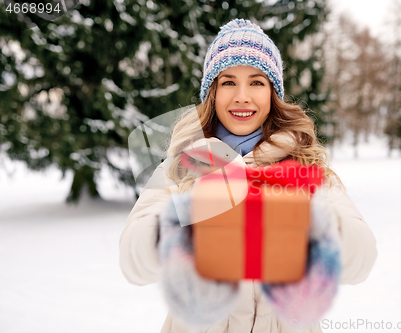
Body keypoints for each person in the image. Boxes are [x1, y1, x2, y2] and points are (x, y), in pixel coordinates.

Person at [119, 18, 377, 333]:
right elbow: (133, 263)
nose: (242, 96)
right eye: (228, 82)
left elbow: (361, 262)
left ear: (273, 93)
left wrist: (317, 225)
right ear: (212, 92)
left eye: (256, 82)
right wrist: (179, 221)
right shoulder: (183, 165)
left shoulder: (304, 166)